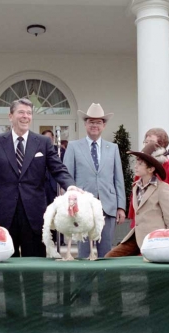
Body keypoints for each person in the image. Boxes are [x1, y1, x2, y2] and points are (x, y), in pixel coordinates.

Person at [0, 98, 75, 257]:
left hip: (34, 215)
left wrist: (71, 186)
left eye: (29, 113)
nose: (25, 116)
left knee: (34, 268)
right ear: (10, 116)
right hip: (5, 214)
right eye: (21, 112)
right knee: (7, 266)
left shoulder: (43, 142)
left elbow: (58, 168)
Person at [63, 103, 126, 258]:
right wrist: (69, 204)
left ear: (104, 125)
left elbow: (118, 179)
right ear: (85, 124)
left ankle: (108, 282)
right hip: (82, 207)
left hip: (108, 206)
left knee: (107, 252)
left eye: (98, 122)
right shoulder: (73, 147)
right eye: (91, 121)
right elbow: (66, 178)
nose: (94, 125)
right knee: (84, 253)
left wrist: (121, 207)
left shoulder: (113, 148)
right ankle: (84, 282)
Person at [106, 142, 169, 257]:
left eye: (140, 164)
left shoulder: (162, 188)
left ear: (151, 169)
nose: (136, 166)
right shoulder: (136, 186)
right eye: (136, 162)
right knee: (110, 258)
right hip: (137, 236)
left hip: (156, 239)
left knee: (153, 271)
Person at [128, 128, 169, 227]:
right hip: (141, 216)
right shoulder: (141, 165)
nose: (147, 144)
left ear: (161, 144)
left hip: (159, 217)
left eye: (151, 141)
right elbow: (136, 191)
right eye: (146, 142)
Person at [42, 129, 66, 245]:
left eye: (50, 138)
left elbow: (62, 168)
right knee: (46, 213)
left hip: (55, 185)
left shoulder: (59, 150)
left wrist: (62, 186)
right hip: (42, 186)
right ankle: (47, 238)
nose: (48, 140)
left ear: (53, 139)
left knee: (58, 212)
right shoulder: (38, 147)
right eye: (46, 138)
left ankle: (60, 239)